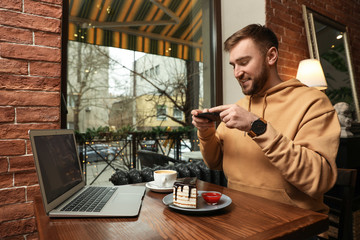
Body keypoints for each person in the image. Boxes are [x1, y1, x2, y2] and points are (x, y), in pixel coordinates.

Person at [191, 24, 340, 217]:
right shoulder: (238, 108)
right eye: (233, 65)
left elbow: (319, 180)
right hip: (238, 217)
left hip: (294, 223)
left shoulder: (313, 102)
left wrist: (257, 127)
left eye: (244, 62)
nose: (237, 73)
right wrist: (206, 131)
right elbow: (215, 162)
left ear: (271, 56)